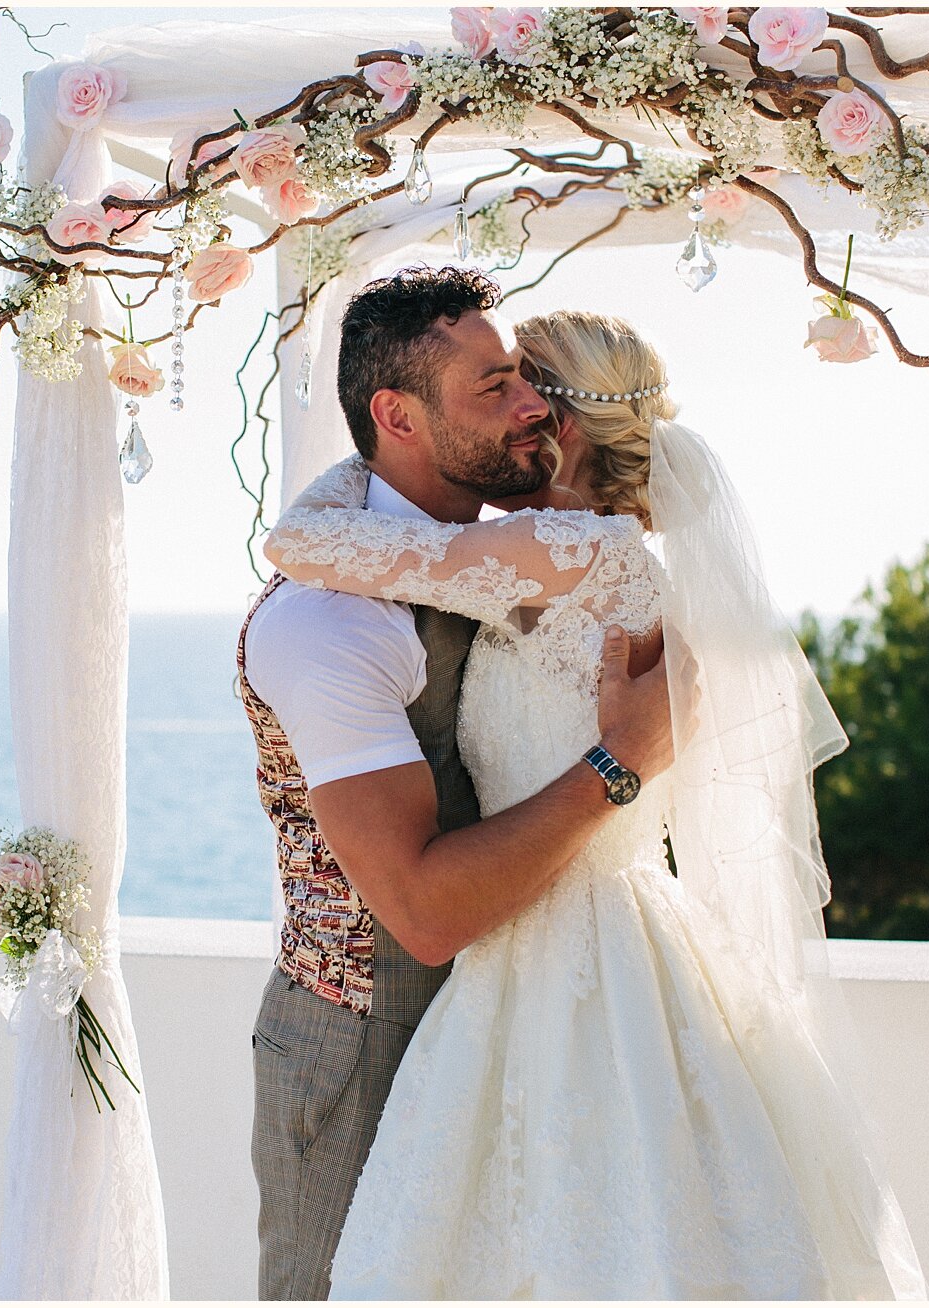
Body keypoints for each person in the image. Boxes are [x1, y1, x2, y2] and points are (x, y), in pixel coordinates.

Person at [260, 302, 929, 1298]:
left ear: (556, 424)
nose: (514, 405)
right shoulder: (616, 559)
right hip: (623, 925)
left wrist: (353, 463)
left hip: (542, 939)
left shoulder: (564, 553)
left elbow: (305, 547)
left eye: (522, 387)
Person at [235, 267, 678, 1300]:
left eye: (532, 386)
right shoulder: (329, 620)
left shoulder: (531, 554)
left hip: (554, 989)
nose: (525, 410)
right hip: (364, 1030)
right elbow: (423, 914)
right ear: (398, 415)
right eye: (496, 389)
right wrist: (619, 763)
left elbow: (366, 546)